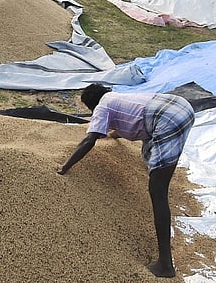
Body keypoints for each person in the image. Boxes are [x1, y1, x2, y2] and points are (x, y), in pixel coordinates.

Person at [58, 84, 195, 278]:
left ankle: (165, 264)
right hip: (181, 106)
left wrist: (64, 167)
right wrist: (115, 134)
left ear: (91, 106)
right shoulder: (117, 98)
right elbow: (131, 118)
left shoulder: (102, 107)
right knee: (156, 161)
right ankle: (161, 171)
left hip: (167, 118)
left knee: (158, 190)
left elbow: (89, 140)